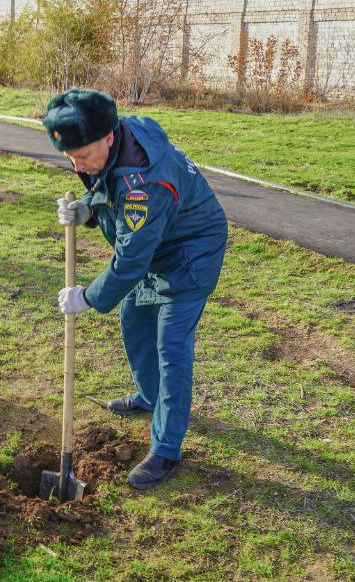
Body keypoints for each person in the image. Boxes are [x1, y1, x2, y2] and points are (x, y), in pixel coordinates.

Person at [45, 88, 228, 490]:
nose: (78, 165)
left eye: (84, 154)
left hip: (190, 252)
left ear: (109, 137)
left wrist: (88, 296)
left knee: (171, 345)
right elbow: (109, 184)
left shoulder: (146, 184)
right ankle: (148, 396)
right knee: (134, 317)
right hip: (158, 245)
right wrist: (89, 209)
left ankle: (166, 449)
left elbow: (130, 259)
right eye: (70, 157)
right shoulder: (122, 134)